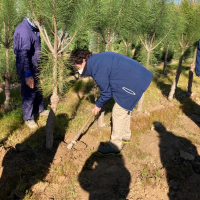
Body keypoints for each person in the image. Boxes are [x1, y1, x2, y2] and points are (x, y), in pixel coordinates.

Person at [70, 49, 153, 154]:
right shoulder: (96, 60)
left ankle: (115, 145)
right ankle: (126, 136)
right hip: (137, 77)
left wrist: (98, 105)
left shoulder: (97, 68)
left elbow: (107, 93)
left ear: (84, 61)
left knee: (118, 112)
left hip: (135, 81)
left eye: (78, 67)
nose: (78, 71)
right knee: (123, 106)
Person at [13, 17, 49, 129]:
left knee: (37, 88)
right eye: (41, 21)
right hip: (26, 66)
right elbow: (22, 54)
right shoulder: (24, 30)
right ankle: (28, 118)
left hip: (34, 64)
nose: (42, 24)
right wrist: (27, 74)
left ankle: (39, 110)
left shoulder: (33, 29)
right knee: (29, 91)